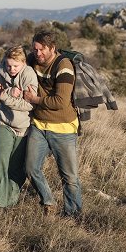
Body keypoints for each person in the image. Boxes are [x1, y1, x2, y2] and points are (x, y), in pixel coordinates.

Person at [23, 29, 82, 217]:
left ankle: (73, 215)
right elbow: (11, 63)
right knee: (31, 168)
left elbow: (60, 102)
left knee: (69, 177)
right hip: (39, 125)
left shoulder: (63, 66)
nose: (37, 53)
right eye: (34, 49)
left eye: (41, 50)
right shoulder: (32, 60)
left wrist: (34, 99)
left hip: (63, 128)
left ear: (52, 48)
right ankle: (48, 201)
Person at [0, 45, 38, 208]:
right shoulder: (1, 70)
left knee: (16, 167)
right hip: (3, 121)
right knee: (0, 161)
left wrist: (5, 96)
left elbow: (29, 105)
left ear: (23, 63)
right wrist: (9, 92)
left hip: (23, 127)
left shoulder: (29, 75)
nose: (11, 69)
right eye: (8, 65)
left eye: (15, 66)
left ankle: (11, 199)